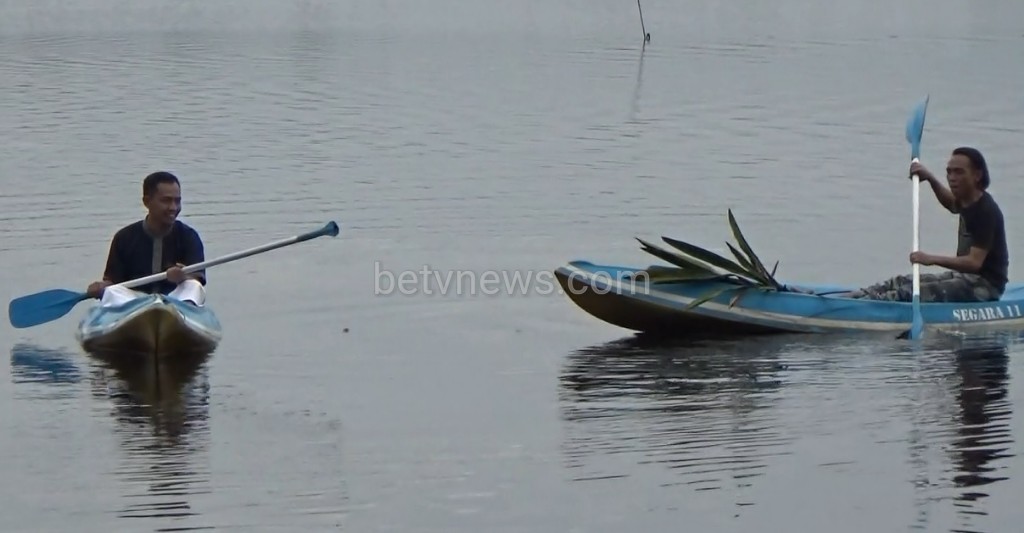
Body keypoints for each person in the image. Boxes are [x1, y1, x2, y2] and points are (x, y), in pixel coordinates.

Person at [844, 146, 1008, 303]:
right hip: (963, 277)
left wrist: (930, 259)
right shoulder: (966, 201)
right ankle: (851, 298)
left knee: (910, 292)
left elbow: (974, 263)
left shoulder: (986, 211)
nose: (952, 178)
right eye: (949, 172)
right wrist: (930, 178)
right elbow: (950, 203)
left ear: (977, 175)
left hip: (985, 285)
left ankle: (860, 309)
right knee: (901, 281)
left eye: (959, 172)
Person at [85, 171, 208, 306]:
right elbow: (113, 282)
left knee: (193, 287)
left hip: (176, 301)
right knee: (111, 292)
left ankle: (181, 314)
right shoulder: (124, 237)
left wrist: (182, 277)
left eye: (177, 201)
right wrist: (100, 287)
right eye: (166, 201)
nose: (173, 207)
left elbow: (197, 278)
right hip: (134, 302)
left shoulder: (189, 236)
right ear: (147, 202)